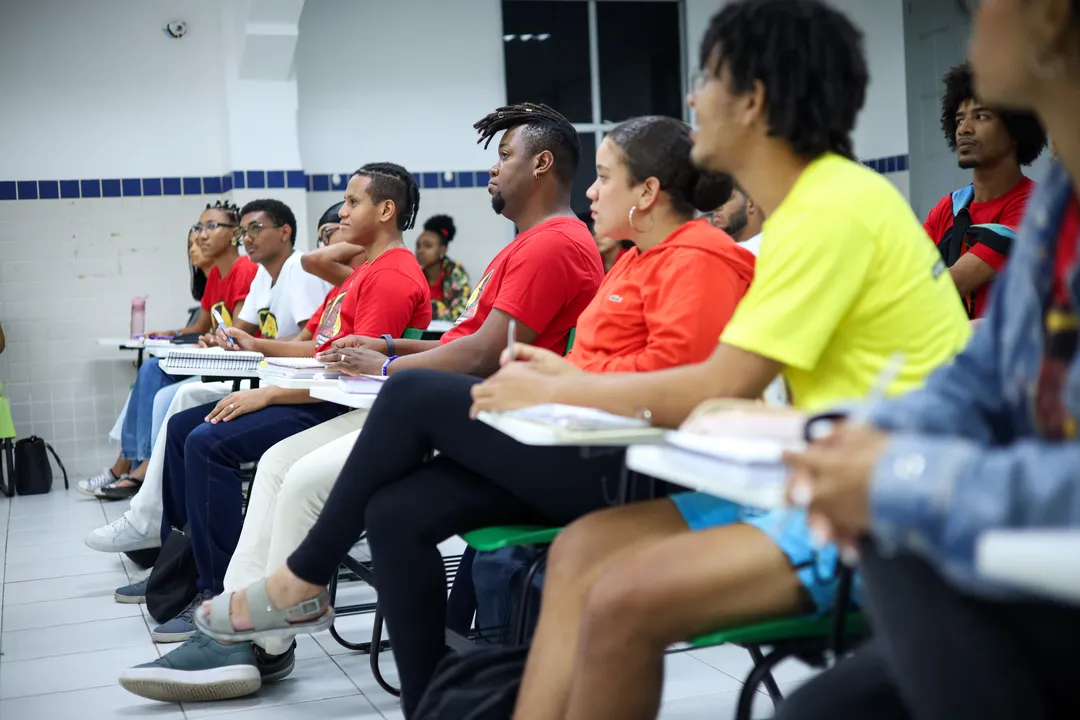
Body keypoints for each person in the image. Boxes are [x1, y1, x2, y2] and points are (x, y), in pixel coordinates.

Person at [454, 3, 973, 719]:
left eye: (709, 80)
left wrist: (558, 388)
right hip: (826, 476)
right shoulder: (811, 208)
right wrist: (572, 378)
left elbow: (720, 383)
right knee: (581, 549)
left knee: (623, 596)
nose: (693, 99)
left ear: (754, 100)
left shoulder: (829, 212)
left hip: (881, 511)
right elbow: (728, 383)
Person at [184, 113, 756, 714]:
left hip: (627, 468)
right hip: (570, 438)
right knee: (393, 512)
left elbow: (683, 388)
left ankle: (303, 576)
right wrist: (556, 380)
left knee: (409, 395)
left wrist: (564, 381)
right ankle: (429, 704)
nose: (591, 188)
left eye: (606, 176)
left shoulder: (698, 255)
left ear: (647, 192)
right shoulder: (637, 258)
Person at [118, 103, 609, 704]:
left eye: (504, 156)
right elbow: (462, 338)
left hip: (480, 415)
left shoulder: (551, 244)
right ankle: (276, 629)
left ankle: (263, 628)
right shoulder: (527, 244)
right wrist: (386, 346)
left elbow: (486, 352)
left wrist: (390, 362)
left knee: (293, 468)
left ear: (542, 164)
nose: (492, 169)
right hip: (451, 402)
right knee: (300, 473)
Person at [774, 0, 1080, 717]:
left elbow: (937, 277)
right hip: (1021, 552)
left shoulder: (1024, 206)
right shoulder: (1058, 205)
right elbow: (976, 379)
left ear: (1050, 15)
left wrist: (902, 472)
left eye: (979, 6)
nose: (969, 23)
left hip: (1046, 558)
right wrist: (873, 432)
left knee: (888, 530)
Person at [116, 163, 432, 698]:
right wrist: (259, 347)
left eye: (353, 203)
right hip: (335, 397)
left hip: (352, 411)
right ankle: (226, 608)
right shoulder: (364, 274)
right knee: (204, 432)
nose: (340, 214)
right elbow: (325, 349)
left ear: (386, 211)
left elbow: (354, 370)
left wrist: (267, 391)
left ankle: (239, 619)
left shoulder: (394, 275)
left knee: (213, 441)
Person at [83, 200, 339, 552]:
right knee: (166, 392)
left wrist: (254, 346)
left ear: (285, 232)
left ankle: (154, 512)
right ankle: (154, 515)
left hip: (299, 387)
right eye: (242, 231)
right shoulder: (264, 273)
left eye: (254, 229)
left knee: (185, 410)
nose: (246, 238)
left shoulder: (300, 268)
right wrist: (225, 340)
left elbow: (312, 346)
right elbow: (243, 331)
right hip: (272, 376)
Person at [78, 201, 259, 500]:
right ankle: (136, 465)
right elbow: (201, 326)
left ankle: (140, 469)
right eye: (199, 227)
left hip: (238, 364)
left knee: (156, 380)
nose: (200, 235)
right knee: (150, 369)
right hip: (216, 357)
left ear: (234, 234)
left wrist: (212, 339)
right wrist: (166, 333)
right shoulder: (216, 276)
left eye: (211, 226)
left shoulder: (244, 269)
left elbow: (236, 333)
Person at [923, 61, 1046, 319]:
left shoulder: (1035, 208)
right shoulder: (947, 208)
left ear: (1015, 130)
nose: (963, 129)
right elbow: (907, 274)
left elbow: (950, 284)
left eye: (980, 116)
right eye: (959, 119)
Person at [415, 214, 471, 321]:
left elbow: (460, 313)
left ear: (442, 250)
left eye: (428, 246)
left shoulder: (455, 272)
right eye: (418, 246)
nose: (420, 251)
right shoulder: (414, 273)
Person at [709, 183, 765, 253]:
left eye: (725, 199)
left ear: (751, 205)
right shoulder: (714, 251)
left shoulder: (771, 248)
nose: (716, 207)